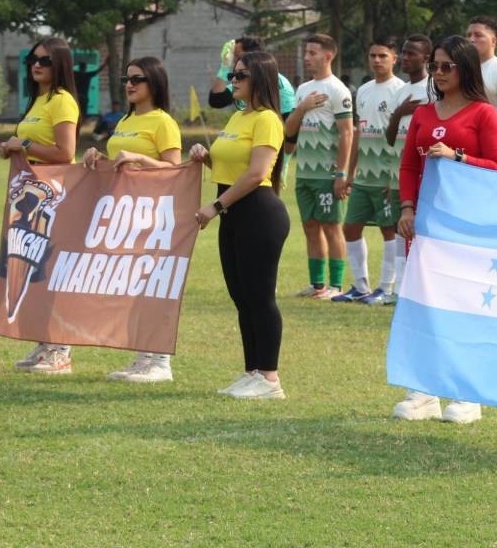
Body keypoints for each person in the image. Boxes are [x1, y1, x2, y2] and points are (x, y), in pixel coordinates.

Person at [393, 35, 497, 424]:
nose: (438, 74)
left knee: (462, 305)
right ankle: (422, 391)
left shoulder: (484, 114)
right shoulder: (424, 114)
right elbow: (409, 166)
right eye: (434, 67)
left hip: (466, 226)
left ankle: (466, 394)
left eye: (447, 67)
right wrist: (407, 208)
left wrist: (458, 156)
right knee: (423, 306)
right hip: (424, 225)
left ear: (466, 69)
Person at [191, 50, 291, 399]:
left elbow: (256, 174)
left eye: (240, 76)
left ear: (260, 78)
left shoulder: (267, 119)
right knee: (242, 298)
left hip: (259, 215)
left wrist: (215, 206)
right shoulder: (238, 118)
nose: (232, 81)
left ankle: (270, 378)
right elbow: (231, 168)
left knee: (260, 298)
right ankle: (252, 372)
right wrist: (206, 158)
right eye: (233, 75)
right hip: (234, 214)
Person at [82, 57, 183, 382]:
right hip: (124, 214)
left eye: (137, 79)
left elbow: (175, 168)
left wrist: (140, 157)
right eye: (127, 78)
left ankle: (161, 362)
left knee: (152, 284)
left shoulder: (162, 122)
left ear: (153, 84)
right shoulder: (125, 120)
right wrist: (101, 158)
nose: (129, 84)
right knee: (132, 285)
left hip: (152, 214)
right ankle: (143, 357)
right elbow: (121, 163)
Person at [0, 37, 79, 375]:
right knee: (34, 268)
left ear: (59, 64)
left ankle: (61, 350)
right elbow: (30, 145)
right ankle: (45, 344)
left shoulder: (62, 101)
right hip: (30, 193)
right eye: (33, 59)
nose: (36, 65)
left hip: (55, 194)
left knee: (52, 270)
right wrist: (13, 148)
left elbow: (64, 151)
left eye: (44, 61)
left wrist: (25, 143)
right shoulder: (39, 100)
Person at [335, 38, 405, 302]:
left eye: (383, 56)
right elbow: (359, 134)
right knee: (350, 228)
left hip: (387, 176)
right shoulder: (363, 90)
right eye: (373, 55)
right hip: (363, 176)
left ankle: (386, 288)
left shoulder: (400, 90)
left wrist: (394, 176)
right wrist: (349, 174)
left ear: (394, 59)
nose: (377, 60)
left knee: (389, 230)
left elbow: (401, 137)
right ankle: (360, 286)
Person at [284, 34, 354, 298]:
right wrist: (301, 108)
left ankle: (336, 286)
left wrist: (341, 173)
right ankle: (317, 286)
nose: (306, 57)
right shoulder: (303, 90)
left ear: (328, 56)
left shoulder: (338, 90)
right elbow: (289, 131)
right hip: (305, 174)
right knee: (310, 226)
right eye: (306, 52)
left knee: (331, 226)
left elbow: (347, 134)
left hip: (328, 174)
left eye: (312, 53)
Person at [378, 34, 434, 305]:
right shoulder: (400, 91)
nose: (407, 57)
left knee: (422, 234)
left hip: (425, 174)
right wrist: (400, 111)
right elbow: (390, 138)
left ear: (426, 58)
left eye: (413, 53)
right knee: (401, 230)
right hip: (401, 172)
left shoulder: (432, 88)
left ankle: (420, 291)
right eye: (404, 51)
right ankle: (400, 291)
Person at [208, 36, 296, 118]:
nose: (234, 61)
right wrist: (224, 66)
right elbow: (216, 100)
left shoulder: (280, 84)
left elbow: (288, 125)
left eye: (238, 56)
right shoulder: (243, 81)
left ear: (254, 56)